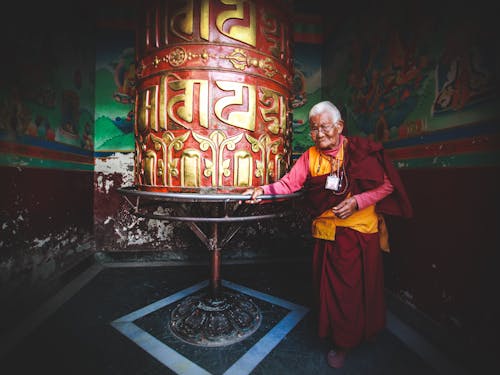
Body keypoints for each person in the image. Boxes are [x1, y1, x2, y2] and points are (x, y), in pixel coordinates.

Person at [242, 100, 412, 369]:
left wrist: (359, 201)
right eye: (313, 129)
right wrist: (264, 191)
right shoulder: (310, 157)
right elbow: (289, 184)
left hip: (360, 232)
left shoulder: (359, 151)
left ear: (340, 126)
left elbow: (388, 185)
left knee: (360, 290)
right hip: (327, 234)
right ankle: (341, 341)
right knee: (336, 293)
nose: (319, 134)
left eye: (324, 127)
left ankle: (359, 334)